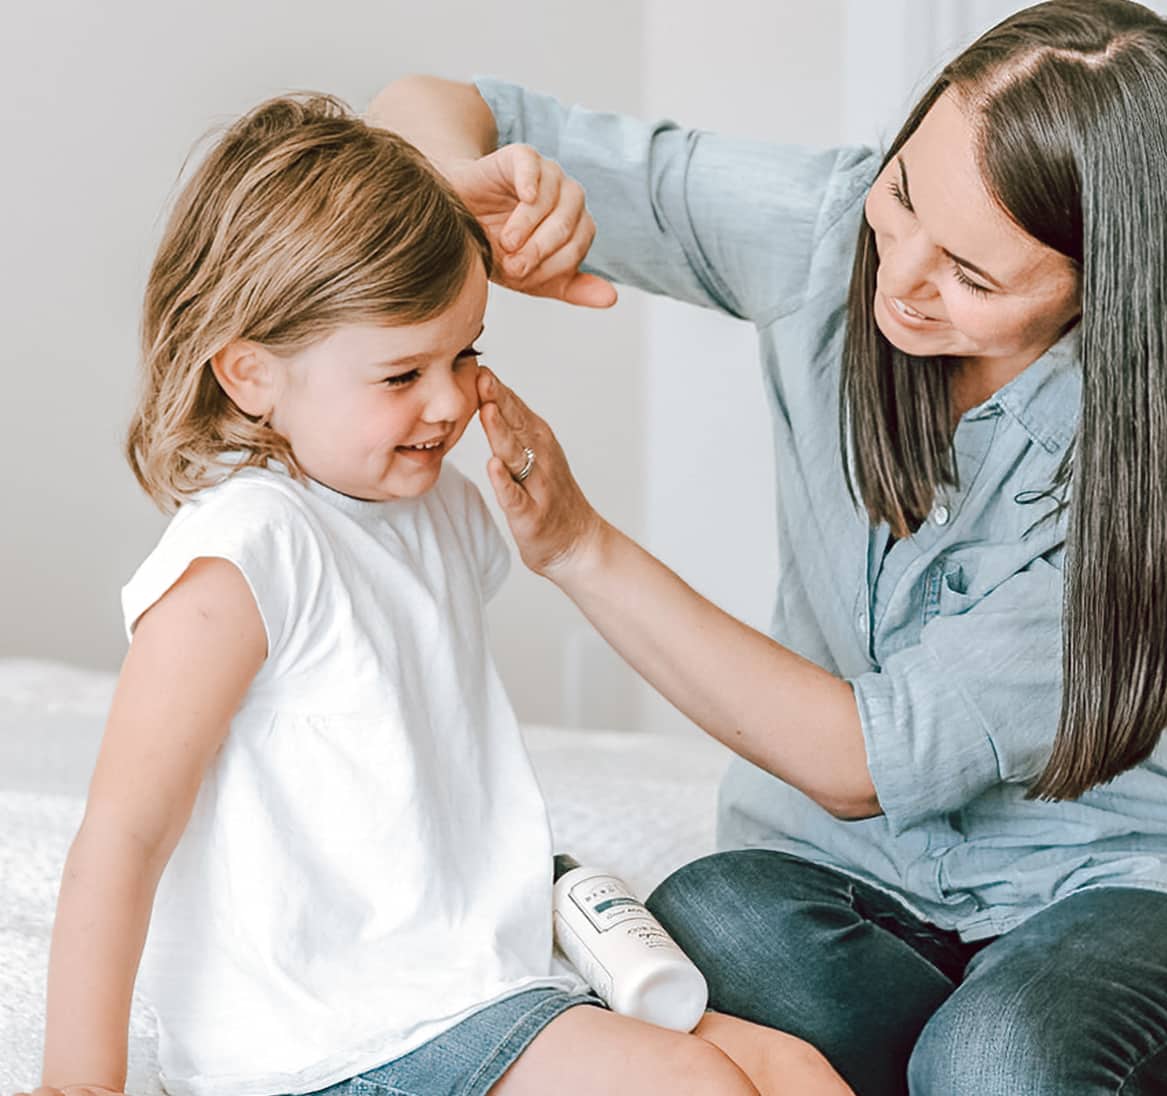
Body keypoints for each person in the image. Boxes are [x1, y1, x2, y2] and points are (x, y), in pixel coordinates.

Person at [369, 1, 1167, 1093]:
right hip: (872, 884)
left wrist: (580, 546)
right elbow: (434, 109)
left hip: (1125, 877)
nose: (901, 275)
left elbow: (855, 761)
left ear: (1111, 289)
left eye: (973, 279)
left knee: (997, 1057)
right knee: (706, 922)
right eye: (905, 198)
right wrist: (466, 178)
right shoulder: (833, 225)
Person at [19, 94, 850, 1096]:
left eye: (467, 355)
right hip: (338, 1038)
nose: (451, 400)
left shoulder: (439, 510)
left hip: (470, 985)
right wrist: (79, 1083)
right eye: (402, 372)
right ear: (250, 376)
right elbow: (125, 830)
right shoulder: (246, 549)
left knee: (791, 1068)